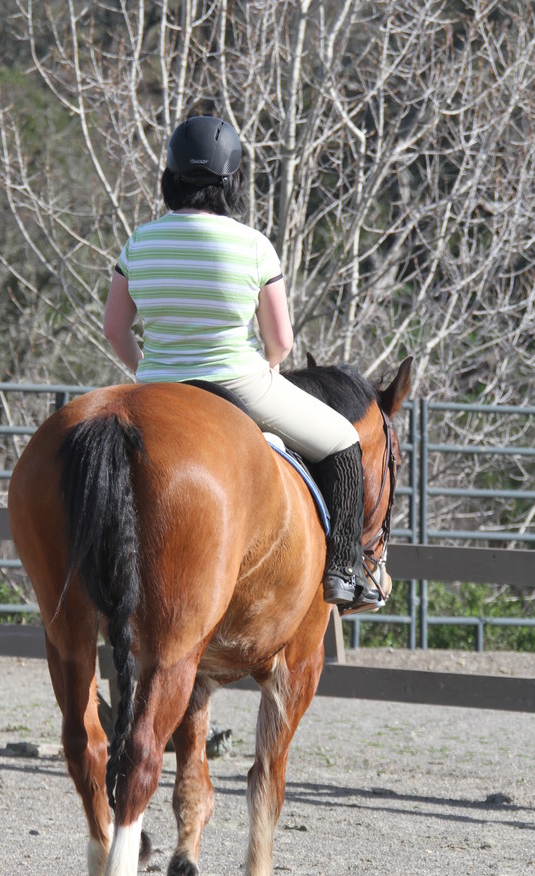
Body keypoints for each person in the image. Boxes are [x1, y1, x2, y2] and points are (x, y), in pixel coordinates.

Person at [103, 115, 379, 609]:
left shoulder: (140, 242)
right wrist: (270, 367)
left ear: (171, 178)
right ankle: (343, 571)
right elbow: (281, 340)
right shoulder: (253, 246)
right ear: (233, 183)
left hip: (156, 389)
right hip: (239, 384)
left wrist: (147, 370)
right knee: (343, 441)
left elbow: (115, 328)